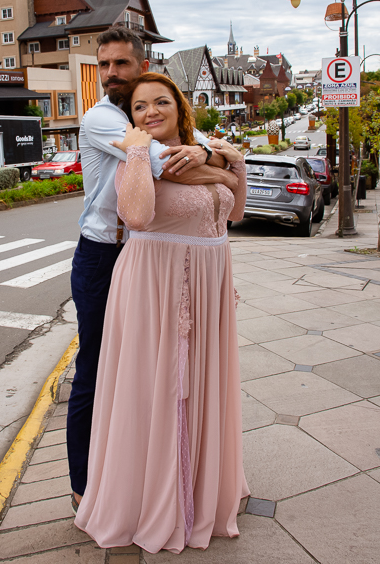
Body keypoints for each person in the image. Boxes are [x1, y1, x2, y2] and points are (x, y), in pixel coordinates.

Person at [75, 72, 249, 554]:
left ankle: (200, 492)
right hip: (157, 284)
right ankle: (157, 502)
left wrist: (223, 161)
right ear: (129, 117)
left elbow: (235, 212)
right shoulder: (135, 156)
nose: (150, 112)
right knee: (163, 388)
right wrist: (135, 151)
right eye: (139, 107)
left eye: (160, 102)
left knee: (201, 385)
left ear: (180, 106)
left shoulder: (202, 148)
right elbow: (135, 217)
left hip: (209, 280)